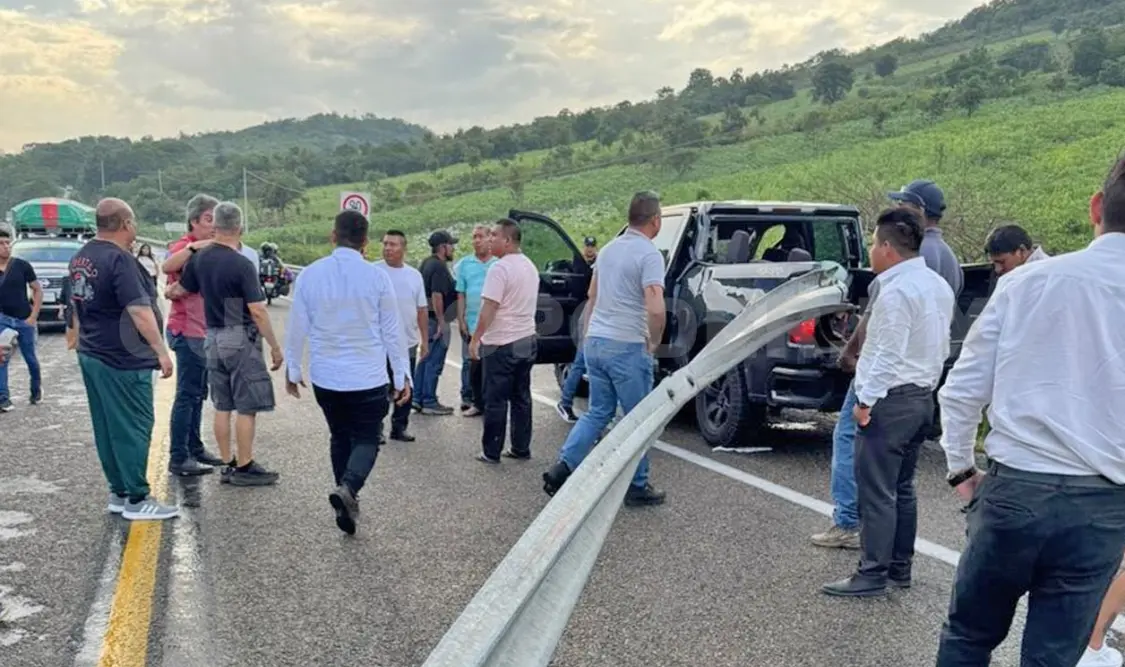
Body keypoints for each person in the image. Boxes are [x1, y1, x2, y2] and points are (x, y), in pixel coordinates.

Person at [935, 155, 1125, 666]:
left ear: (1096, 207)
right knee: (1052, 656)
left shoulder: (1025, 283)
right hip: (1103, 506)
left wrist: (960, 469)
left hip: (1015, 489)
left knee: (969, 636)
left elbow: (960, 391)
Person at [811, 180, 967, 550]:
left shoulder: (904, 269)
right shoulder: (944, 260)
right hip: (921, 385)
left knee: (872, 475)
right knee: (901, 485)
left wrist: (864, 396)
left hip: (888, 385)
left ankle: (858, 538)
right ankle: (897, 564)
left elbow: (885, 336)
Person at [284, 211, 412, 535]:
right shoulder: (377, 278)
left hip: (326, 379)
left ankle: (345, 497)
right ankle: (349, 490)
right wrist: (401, 376)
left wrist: (293, 367)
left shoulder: (310, 275)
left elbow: (297, 325)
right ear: (365, 242)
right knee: (368, 437)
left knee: (339, 435)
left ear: (333, 235)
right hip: (368, 377)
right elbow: (392, 332)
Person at [541, 191, 667, 506]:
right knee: (637, 419)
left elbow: (591, 298)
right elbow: (655, 306)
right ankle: (636, 485)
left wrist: (586, 339)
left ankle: (563, 466)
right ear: (655, 220)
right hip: (626, 345)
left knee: (598, 411)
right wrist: (654, 341)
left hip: (596, 342)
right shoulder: (649, 254)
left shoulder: (608, 251)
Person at [68, 198, 177, 520]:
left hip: (92, 352)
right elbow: (140, 311)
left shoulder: (81, 256)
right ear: (126, 223)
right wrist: (161, 351)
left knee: (107, 426)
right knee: (134, 425)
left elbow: (75, 305)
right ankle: (137, 497)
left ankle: (118, 491)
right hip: (123, 358)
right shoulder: (120, 260)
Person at [178, 202, 283, 487]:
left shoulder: (200, 259)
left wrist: (167, 289)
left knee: (222, 404)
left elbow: (180, 289)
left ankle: (227, 463)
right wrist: (274, 345)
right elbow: (258, 310)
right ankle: (245, 465)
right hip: (238, 331)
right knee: (246, 405)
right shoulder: (241, 263)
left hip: (212, 333)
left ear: (215, 226)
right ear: (240, 227)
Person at [161, 194, 225, 476]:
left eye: (216, 220)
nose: (213, 226)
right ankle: (178, 457)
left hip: (203, 331)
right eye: (208, 219)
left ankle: (195, 447)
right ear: (194, 221)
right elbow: (168, 266)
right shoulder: (185, 247)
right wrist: (196, 248)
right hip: (186, 331)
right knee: (187, 395)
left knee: (199, 393)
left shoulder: (209, 248)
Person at [469, 219, 539, 464]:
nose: (489, 239)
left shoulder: (499, 269)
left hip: (501, 342)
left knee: (496, 398)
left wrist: (476, 337)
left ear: (507, 241)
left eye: (494, 235)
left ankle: (491, 451)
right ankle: (521, 447)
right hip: (526, 339)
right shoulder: (529, 265)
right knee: (521, 396)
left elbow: (489, 307)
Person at [374, 229, 428, 444]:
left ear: (404, 248)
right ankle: (376, 429)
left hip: (406, 341)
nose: (388, 248)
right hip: (378, 344)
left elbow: (422, 310)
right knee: (378, 388)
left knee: (405, 385)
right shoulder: (373, 271)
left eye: (393, 244)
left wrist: (424, 340)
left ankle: (399, 427)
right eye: (385, 243)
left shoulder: (414, 275)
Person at [888, 179, 963, 297]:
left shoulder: (918, 251)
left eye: (902, 204)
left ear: (918, 210)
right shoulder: (947, 253)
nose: (898, 208)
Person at [414, 230, 458, 415]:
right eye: (451, 245)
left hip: (428, 318)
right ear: (443, 247)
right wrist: (442, 321)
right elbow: (437, 295)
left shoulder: (426, 263)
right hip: (436, 319)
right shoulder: (439, 267)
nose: (453, 248)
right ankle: (429, 400)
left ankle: (418, 397)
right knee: (434, 361)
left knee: (425, 358)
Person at [454, 224, 496, 417]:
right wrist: (461, 319)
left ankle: (491, 401)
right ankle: (473, 400)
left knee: (492, 365)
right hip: (471, 324)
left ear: (490, 239)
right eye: (474, 237)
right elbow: (461, 294)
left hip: (493, 325)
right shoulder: (465, 264)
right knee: (472, 364)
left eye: (480, 236)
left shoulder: (498, 263)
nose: (476, 241)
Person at [0, 227, 43, 412]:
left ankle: (35, 390)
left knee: (31, 359)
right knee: (2, 359)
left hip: (24, 318)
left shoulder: (22, 265)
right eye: (1, 244)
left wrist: (33, 316)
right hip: (3, 318)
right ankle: (3, 398)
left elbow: (37, 289)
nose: (5, 247)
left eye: (8, 243)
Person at [983, 224, 1050, 277]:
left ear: (1022, 251)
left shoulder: (1044, 274)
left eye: (1002, 262)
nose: (997, 269)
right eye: (994, 264)